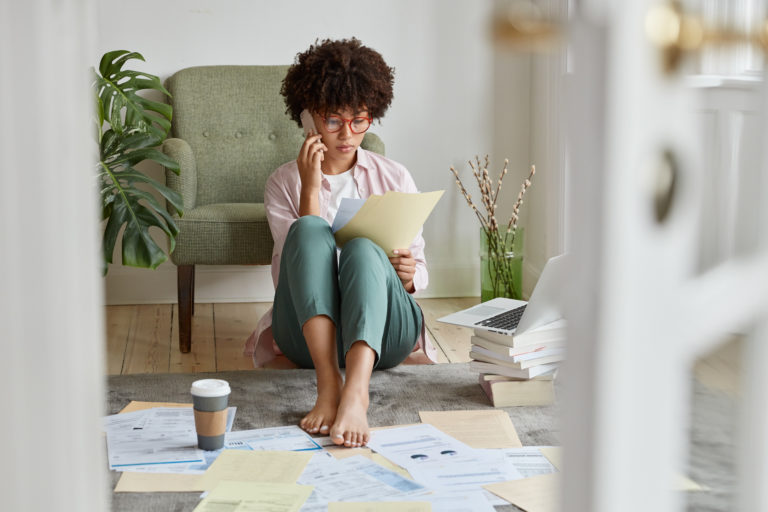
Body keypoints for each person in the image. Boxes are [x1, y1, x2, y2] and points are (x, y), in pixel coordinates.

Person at [243, 38, 438, 448]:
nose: (347, 135)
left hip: (384, 333)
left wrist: (406, 274)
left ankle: (356, 391)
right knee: (307, 230)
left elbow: (420, 267)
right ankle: (328, 383)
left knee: (364, 247)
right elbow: (293, 272)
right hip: (307, 338)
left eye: (360, 120)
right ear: (308, 118)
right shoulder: (283, 182)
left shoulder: (394, 176)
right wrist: (310, 186)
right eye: (333, 121)